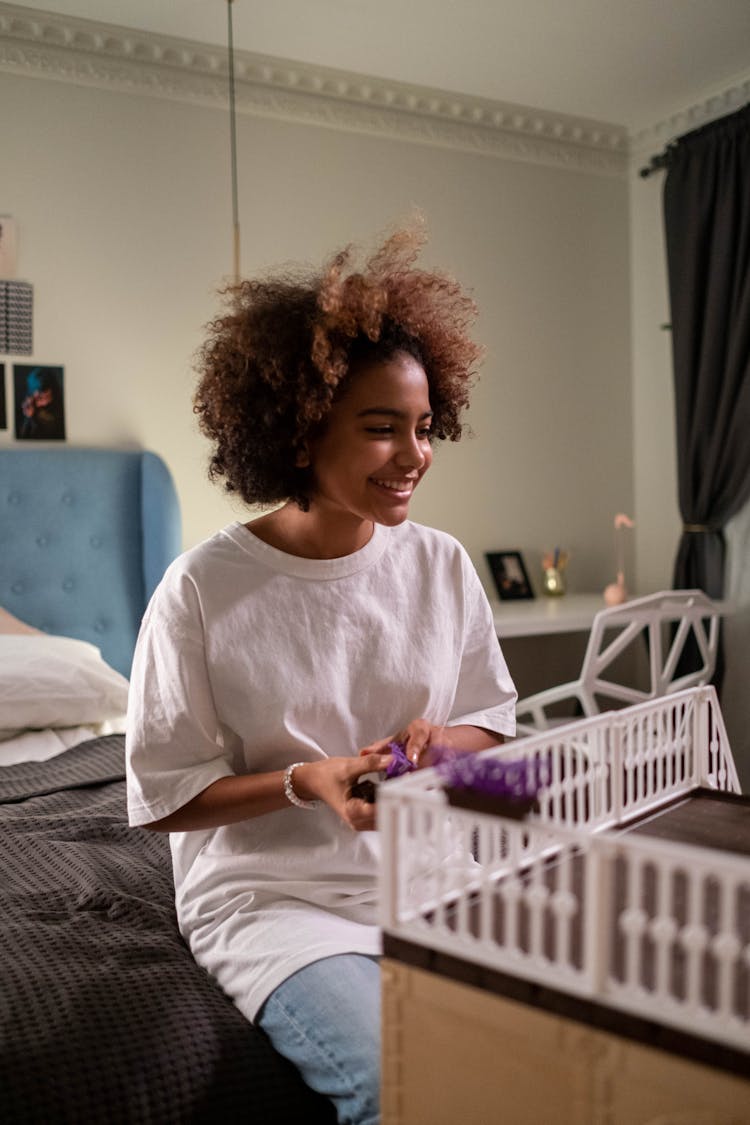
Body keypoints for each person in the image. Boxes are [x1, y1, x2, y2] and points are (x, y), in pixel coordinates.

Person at [125, 225, 516, 1125]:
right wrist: (311, 782)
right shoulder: (202, 589)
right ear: (301, 431)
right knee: (406, 1089)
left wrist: (436, 743)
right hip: (278, 903)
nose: (414, 455)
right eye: (381, 429)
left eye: (423, 428)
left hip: (429, 879)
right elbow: (165, 796)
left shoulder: (442, 566)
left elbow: (491, 724)